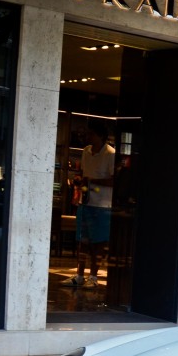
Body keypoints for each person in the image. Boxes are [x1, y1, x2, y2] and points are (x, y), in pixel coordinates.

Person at [64, 120, 114, 288]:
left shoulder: (110, 154)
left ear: (100, 136)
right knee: (82, 240)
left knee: (98, 242)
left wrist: (92, 181)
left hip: (102, 205)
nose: (87, 136)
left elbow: (114, 181)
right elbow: (83, 173)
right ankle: (79, 275)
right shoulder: (86, 151)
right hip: (85, 202)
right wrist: (80, 180)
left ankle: (93, 277)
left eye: (91, 133)